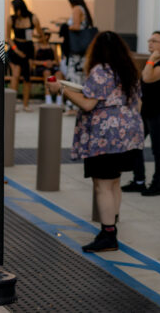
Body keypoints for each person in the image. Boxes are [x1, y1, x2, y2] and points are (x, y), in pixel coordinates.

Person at [47, 31, 143, 253]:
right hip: (129, 133)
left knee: (102, 185)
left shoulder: (101, 70)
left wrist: (61, 89)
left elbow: (89, 104)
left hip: (105, 136)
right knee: (114, 182)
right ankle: (112, 225)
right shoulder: (128, 70)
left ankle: (108, 235)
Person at [124, 31, 160, 196]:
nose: (150, 43)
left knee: (157, 150)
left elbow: (147, 78)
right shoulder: (153, 63)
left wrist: (152, 59)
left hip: (158, 114)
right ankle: (139, 181)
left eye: (154, 41)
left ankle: (157, 185)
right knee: (135, 145)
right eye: (150, 40)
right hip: (145, 113)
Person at [6, 0, 42, 110]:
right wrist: (16, 50)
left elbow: (40, 34)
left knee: (27, 77)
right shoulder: (11, 19)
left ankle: (25, 105)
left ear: (20, 8)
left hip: (28, 48)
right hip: (16, 47)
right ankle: (11, 104)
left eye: (15, 8)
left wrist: (33, 35)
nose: (14, 11)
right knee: (15, 75)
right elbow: (8, 38)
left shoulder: (33, 18)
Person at [59, 0, 94, 85]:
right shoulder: (84, 9)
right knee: (82, 74)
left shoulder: (77, 9)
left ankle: (73, 97)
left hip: (76, 47)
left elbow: (77, 26)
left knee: (74, 75)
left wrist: (65, 27)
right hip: (83, 47)